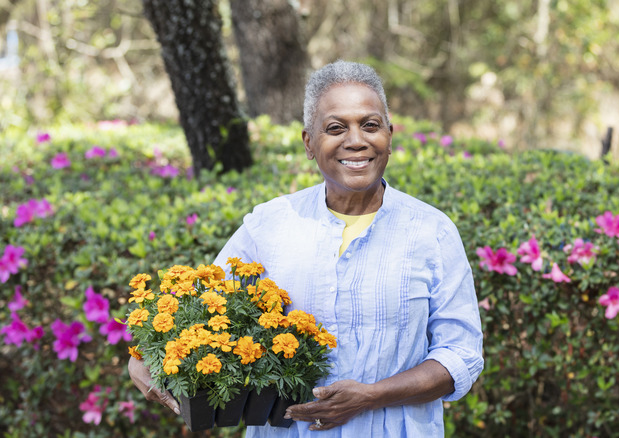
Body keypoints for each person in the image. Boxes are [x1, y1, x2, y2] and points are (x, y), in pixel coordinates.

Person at [129, 60, 484, 437]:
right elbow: (203, 307)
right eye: (335, 128)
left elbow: (460, 355)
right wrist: (141, 356)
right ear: (309, 144)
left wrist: (372, 396)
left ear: (390, 136)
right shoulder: (270, 225)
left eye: (370, 124)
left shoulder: (432, 232)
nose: (356, 140)